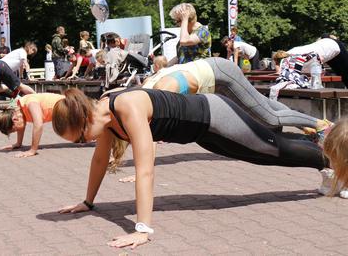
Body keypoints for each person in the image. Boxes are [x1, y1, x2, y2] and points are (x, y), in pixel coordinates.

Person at [53, 87, 337, 250]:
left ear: (85, 117)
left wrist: (142, 229)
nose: (82, 143)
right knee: (263, 155)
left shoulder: (125, 107)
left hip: (213, 115)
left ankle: (333, 159)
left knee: (272, 148)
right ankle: (328, 161)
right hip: (202, 132)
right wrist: (87, 202)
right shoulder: (103, 118)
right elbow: (100, 160)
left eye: (79, 137)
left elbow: (145, 169)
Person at [141, 57, 327, 131]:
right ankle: (304, 126)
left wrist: (143, 168)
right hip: (216, 78)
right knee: (261, 103)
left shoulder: (164, 88)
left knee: (268, 119)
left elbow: (151, 139)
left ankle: (321, 125)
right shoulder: (146, 87)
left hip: (222, 73)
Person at [0, 93, 64, 158]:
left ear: (15, 119)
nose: (17, 131)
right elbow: (21, 125)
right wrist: (18, 143)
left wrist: (32, 150)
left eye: (15, 129)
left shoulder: (30, 104)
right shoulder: (20, 109)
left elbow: (38, 125)